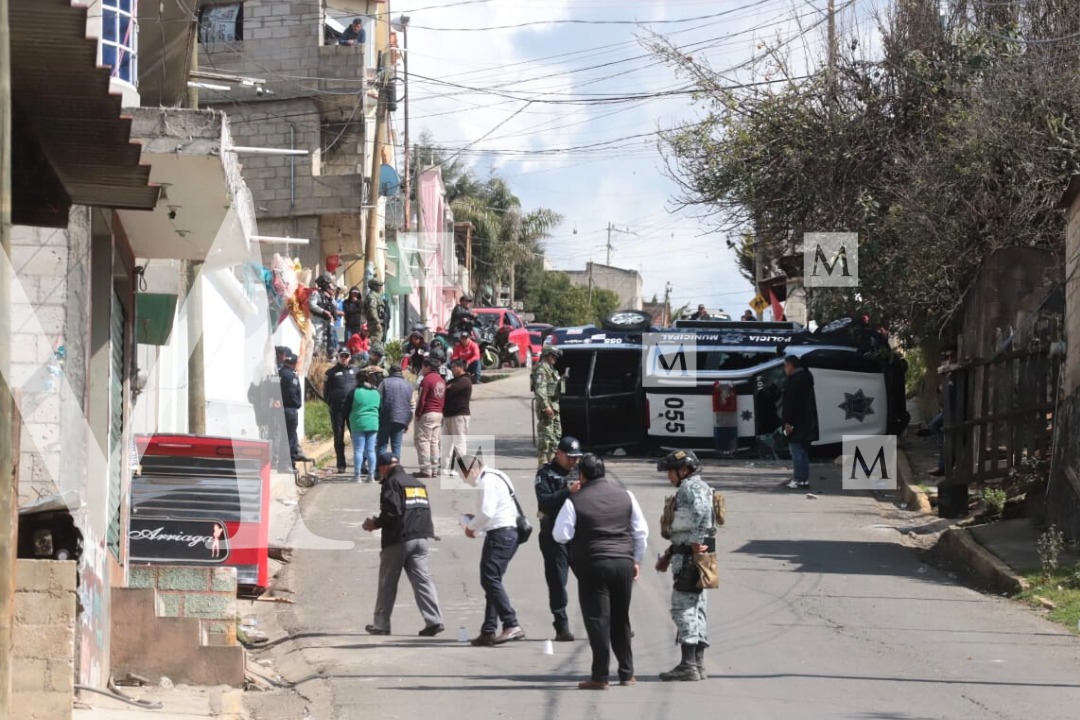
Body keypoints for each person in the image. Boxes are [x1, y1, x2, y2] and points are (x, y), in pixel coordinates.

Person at [554, 454, 648, 689]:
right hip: (623, 564)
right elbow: (641, 532)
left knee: (597, 619)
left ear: (582, 475)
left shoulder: (575, 500)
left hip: (593, 565)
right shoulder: (627, 496)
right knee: (621, 618)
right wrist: (635, 560)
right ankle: (627, 674)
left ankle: (600, 676)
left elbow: (560, 534)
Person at [362, 451, 445, 636]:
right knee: (422, 581)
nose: (380, 474)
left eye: (380, 470)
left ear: (384, 467)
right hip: (421, 539)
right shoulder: (417, 484)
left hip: (399, 540)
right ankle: (434, 620)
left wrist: (375, 523)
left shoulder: (392, 483)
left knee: (387, 583)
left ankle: (381, 625)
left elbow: (392, 512)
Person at [654, 449, 714, 682]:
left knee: (683, 607)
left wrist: (696, 542)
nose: (669, 476)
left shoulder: (691, 487)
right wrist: (669, 553)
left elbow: (702, 513)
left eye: (671, 471)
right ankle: (697, 664)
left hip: (691, 557)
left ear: (684, 470)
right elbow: (686, 527)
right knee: (698, 606)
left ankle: (689, 664)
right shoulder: (697, 486)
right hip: (696, 554)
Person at [458, 453, 525, 646]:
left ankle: (511, 623)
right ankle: (488, 630)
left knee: (489, 579)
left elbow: (487, 512)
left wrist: (470, 528)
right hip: (507, 533)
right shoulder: (498, 475)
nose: (464, 480)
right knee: (492, 581)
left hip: (501, 534)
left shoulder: (486, 481)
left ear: (471, 470)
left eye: (463, 475)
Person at [534, 436, 583, 642]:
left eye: (576, 458)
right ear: (559, 454)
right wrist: (567, 491)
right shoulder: (545, 473)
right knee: (557, 582)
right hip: (553, 536)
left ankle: (611, 622)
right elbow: (544, 502)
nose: (573, 462)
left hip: (579, 535)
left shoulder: (581, 472)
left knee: (594, 580)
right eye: (570, 457)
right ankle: (561, 626)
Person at [781, 354, 818, 489]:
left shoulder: (793, 381)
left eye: (785, 365)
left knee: (796, 450)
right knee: (803, 451)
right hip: (807, 421)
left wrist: (787, 422)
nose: (784, 369)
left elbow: (790, 404)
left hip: (796, 422)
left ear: (791, 365)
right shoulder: (806, 378)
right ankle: (804, 479)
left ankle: (798, 479)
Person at [324, 348, 359, 474]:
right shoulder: (330, 373)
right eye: (342, 356)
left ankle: (359, 463)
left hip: (352, 409)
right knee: (338, 436)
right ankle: (340, 464)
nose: (344, 358)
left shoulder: (355, 371)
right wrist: (332, 403)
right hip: (337, 409)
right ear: (338, 357)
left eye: (346, 355)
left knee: (356, 436)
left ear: (350, 357)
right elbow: (326, 393)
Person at [345, 370, 381, 483]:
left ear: (357, 380)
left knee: (358, 451)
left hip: (358, 423)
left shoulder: (354, 392)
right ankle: (371, 476)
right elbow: (380, 408)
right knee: (371, 451)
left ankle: (357, 476)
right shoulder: (376, 392)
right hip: (373, 423)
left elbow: (345, 408)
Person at [414, 357, 445, 478]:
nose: (422, 369)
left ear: (427, 367)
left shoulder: (426, 380)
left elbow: (422, 398)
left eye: (423, 367)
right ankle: (435, 468)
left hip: (427, 413)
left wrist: (418, 413)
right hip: (438, 413)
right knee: (434, 442)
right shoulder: (441, 380)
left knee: (423, 441)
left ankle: (426, 469)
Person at [279, 353, 311, 470]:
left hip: (276, 411)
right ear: (294, 363)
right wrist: (297, 404)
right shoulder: (291, 377)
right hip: (289, 410)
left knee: (280, 436)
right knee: (290, 437)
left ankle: (281, 463)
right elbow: (293, 395)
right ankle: (288, 463)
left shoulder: (276, 374)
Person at [533, 345, 563, 466]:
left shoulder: (550, 369)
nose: (555, 358)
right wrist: (546, 406)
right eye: (553, 356)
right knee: (546, 437)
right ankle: (543, 463)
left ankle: (552, 462)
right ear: (547, 355)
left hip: (554, 406)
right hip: (547, 407)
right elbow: (540, 390)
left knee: (555, 435)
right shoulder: (541, 370)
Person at [442, 359, 473, 474]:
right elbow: (444, 388)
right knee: (446, 443)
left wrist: (448, 387)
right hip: (448, 415)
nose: (452, 369)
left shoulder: (465, 380)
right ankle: (444, 466)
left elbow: (451, 389)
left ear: (461, 368)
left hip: (459, 416)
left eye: (454, 367)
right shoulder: (453, 380)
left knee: (459, 443)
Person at [378, 366, 413, 461]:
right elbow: (411, 406)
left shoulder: (384, 382)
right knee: (396, 446)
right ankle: (395, 470)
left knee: (382, 445)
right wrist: (407, 422)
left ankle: (380, 470)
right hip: (401, 420)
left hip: (385, 418)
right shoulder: (409, 385)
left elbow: (378, 399)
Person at [310, 273, 338, 356]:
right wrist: (323, 311)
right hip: (318, 319)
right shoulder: (316, 293)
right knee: (318, 338)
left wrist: (331, 296)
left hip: (327, 320)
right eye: (327, 283)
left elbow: (334, 306)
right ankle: (315, 356)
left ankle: (324, 356)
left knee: (328, 339)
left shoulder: (329, 295)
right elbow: (312, 305)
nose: (329, 285)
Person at [364, 277, 386, 343]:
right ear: (375, 286)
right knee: (375, 341)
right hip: (374, 323)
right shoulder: (372, 296)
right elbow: (372, 310)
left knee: (379, 341)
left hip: (379, 322)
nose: (381, 288)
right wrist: (377, 322)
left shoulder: (377, 296)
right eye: (379, 286)